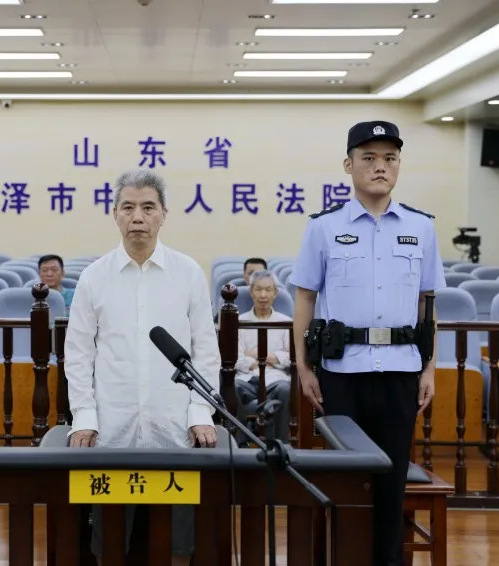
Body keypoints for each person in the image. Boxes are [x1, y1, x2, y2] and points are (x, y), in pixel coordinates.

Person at [289, 121, 442, 566]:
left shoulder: (421, 227)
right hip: (342, 373)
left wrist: (429, 367)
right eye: (369, 158)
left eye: (390, 158)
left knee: (391, 483)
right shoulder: (323, 227)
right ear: (348, 165)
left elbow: (427, 304)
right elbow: (305, 299)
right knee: (347, 482)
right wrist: (303, 366)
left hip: (400, 371)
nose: (380, 167)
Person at [63, 168, 221, 566]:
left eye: (148, 207)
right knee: (109, 540)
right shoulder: (94, 278)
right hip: (112, 426)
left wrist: (200, 412)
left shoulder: (188, 272)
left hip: (175, 424)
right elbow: (78, 354)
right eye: (128, 207)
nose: (138, 217)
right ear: (114, 213)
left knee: (178, 542)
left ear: (164, 214)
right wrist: (84, 416)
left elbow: (205, 348)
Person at [234, 269, 292, 444]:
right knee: (233, 387)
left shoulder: (286, 322)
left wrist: (257, 355)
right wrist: (270, 359)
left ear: (276, 293)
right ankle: (239, 443)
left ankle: (280, 443)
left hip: (276, 379)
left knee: (285, 389)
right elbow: (236, 359)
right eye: (258, 289)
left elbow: (290, 357)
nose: (263, 295)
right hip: (247, 379)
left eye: (268, 290)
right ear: (251, 291)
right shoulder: (239, 321)